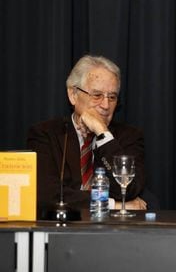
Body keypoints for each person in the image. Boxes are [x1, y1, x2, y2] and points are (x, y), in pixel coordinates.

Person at [28, 55, 148, 215]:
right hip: (62, 230)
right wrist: (113, 204)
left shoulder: (129, 136)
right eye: (97, 95)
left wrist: (103, 134)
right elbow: (45, 195)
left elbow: (128, 189)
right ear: (73, 95)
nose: (105, 105)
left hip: (113, 233)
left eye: (112, 97)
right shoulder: (45, 134)